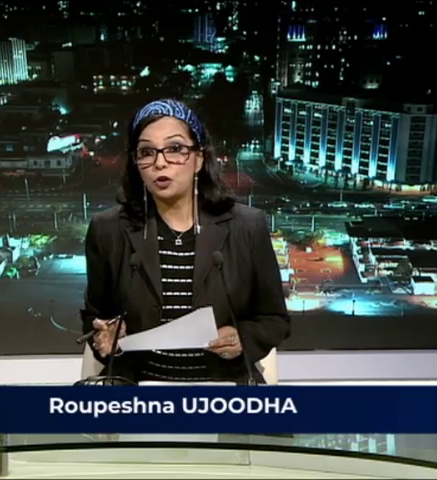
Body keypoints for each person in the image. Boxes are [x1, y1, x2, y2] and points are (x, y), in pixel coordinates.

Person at [80, 99, 290, 384]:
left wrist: (242, 337)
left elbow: (274, 320)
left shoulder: (246, 226)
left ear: (199, 159)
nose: (160, 162)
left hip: (224, 389)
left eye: (175, 149)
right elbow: (94, 319)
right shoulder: (108, 230)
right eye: (147, 152)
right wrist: (105, 335)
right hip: (138, 390)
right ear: (136, 164)